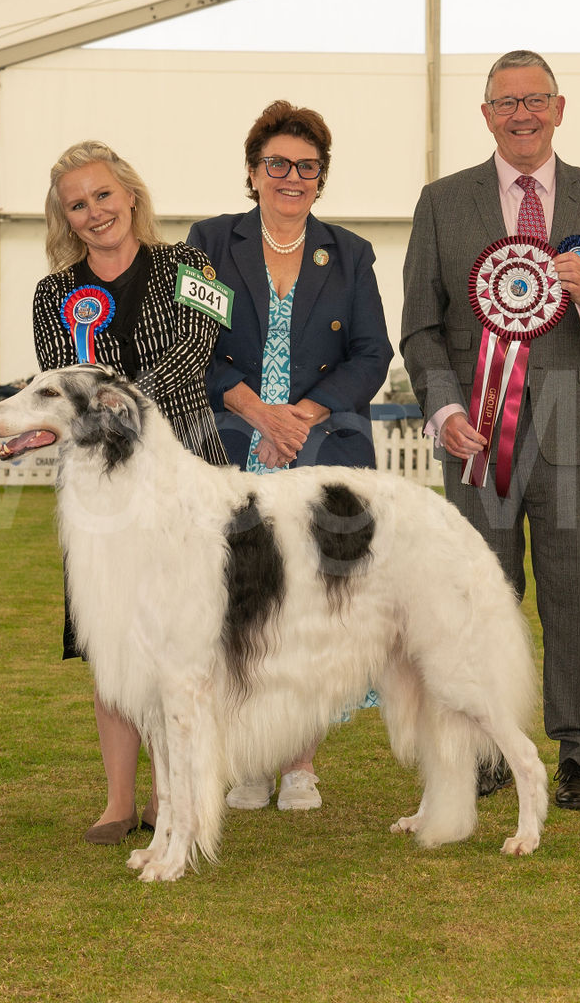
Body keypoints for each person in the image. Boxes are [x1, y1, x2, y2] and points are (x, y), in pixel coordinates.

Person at [400, 50, 580, 811]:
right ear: (486, 116)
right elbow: (419, 327)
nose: (521, 114)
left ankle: (578, 754)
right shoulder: (443, 202)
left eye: (534, 100)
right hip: (476, 440)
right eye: (505, 103)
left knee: (574, 597)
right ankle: (483, 747)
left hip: (573, 437)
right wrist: (446, 410)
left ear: (559, 107)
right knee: (480, 599)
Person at [188, 100, 392, 813]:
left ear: (321, 178)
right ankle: (246, 762)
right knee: (238, 612)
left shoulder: (352, 253)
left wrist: (302, 418)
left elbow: (373, 354)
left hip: (322, 453)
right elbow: (194, 348)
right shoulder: (210, 243)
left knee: (312, 613)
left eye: (307, 167)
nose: (292, 177)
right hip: (230, 456)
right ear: (253, 172)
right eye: (278, 164)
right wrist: (256, 411)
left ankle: (300, 761)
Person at [33, 140, 227, 844]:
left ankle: (179, 798)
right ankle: (120, 801)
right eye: (77, 205)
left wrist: (119, 398)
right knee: (113, 638)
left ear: (131, 195)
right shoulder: (53, 294)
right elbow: (64, 383)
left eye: (103, 196)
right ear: (65, 217)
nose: (94, 213)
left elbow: (196, 349)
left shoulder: (193, 267)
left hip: (188, 477)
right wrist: (106, 402)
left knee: (187, 640)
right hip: (102, 492)